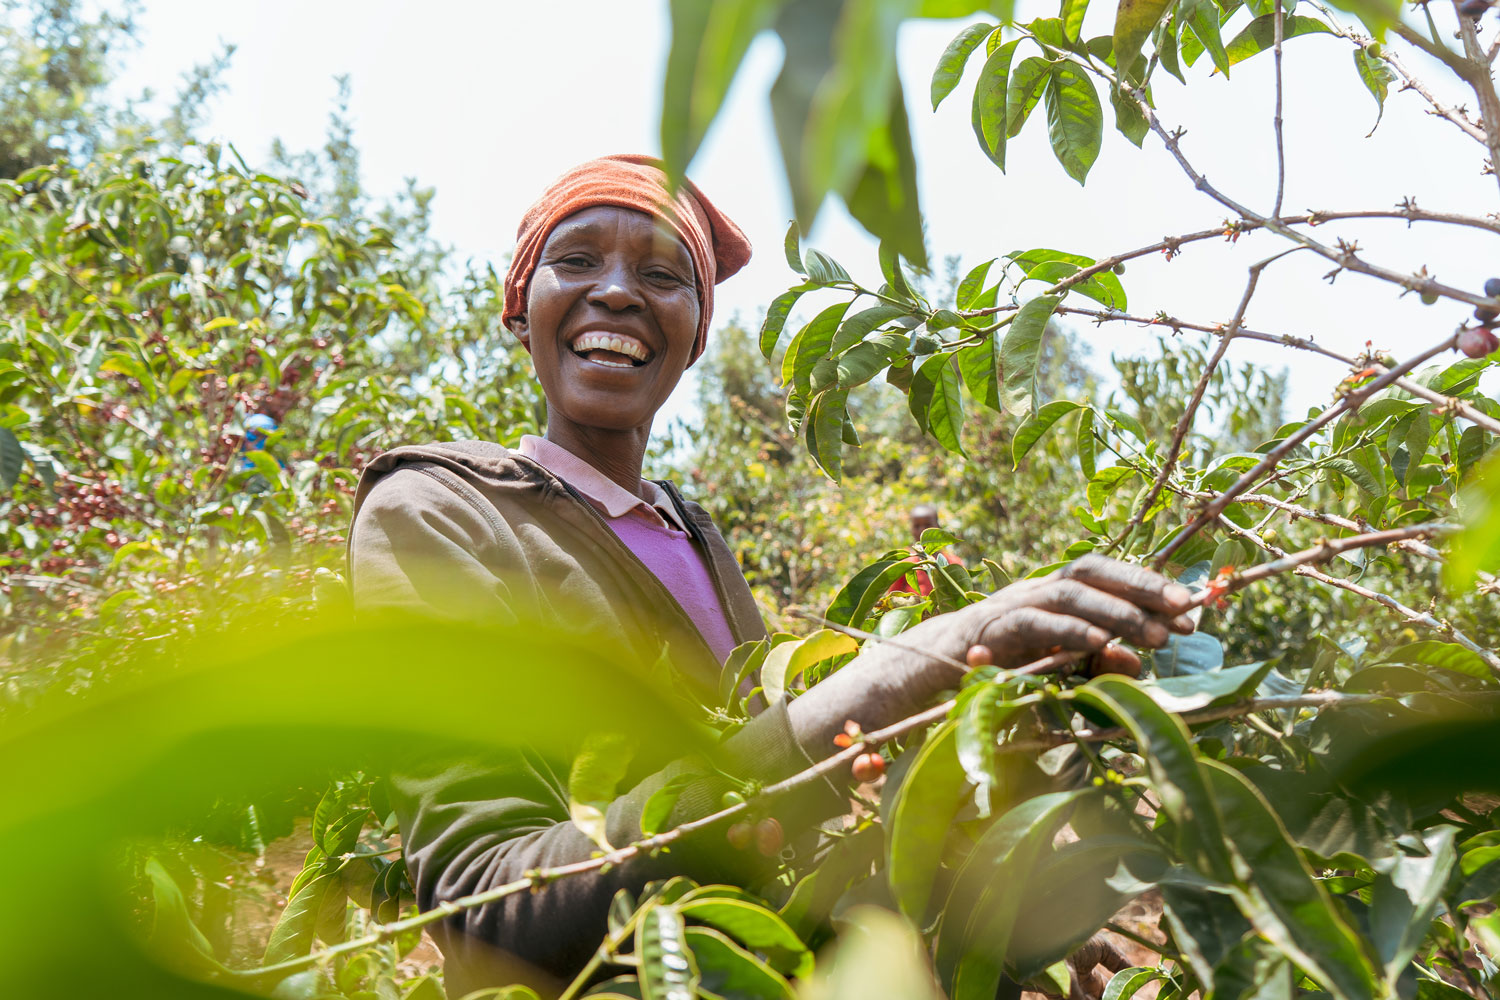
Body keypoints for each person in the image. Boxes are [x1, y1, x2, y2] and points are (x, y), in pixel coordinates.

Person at [346, 154, 1197, 994]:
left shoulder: (695, 537)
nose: (616, 291)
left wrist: (998, 911)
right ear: (518, 306)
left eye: (662, 274)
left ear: (695, 334)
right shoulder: (437, 509)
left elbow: (773, 835)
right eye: (575, 261)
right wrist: (891, 679)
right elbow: (487, 903)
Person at [889, 503, 964, 598]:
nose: (922, 531)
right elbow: (892, 597)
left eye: (927, 525)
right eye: (917, 526)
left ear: (938, 527)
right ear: (911, 529)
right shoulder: (904, 563)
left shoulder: (953, 563)